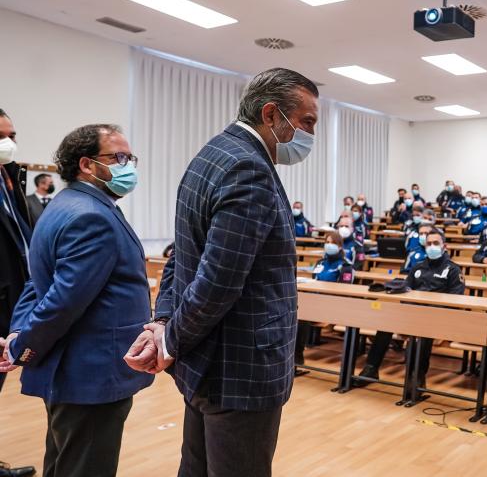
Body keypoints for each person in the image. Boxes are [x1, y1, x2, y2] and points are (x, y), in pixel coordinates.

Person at [128, 68, 318, 476]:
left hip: (206, 364)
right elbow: (218, 281)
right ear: (271, 115)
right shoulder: (249, 169)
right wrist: (168, 341)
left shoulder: (210, 155)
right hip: (240, 369)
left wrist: (164, 324)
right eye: (306, 122)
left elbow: (182, 254)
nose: (309, 134)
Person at [1, 124, 153, 477]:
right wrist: (22, 345)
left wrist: (17, 333)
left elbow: (36, 283)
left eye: (129, 158)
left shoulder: (65, 205)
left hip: (72, 371)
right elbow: (62, 300)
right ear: (86, 164)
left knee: (64, 461)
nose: (127, 165)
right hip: (90, 373)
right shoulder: (91, 216)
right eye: (118, 157)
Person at [355, 229, 465, 386]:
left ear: (444, 246)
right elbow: (406, 290)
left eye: (435, 243)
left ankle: (417, 377)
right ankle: (371, 369)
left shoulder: (453, 270)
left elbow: (456, 299)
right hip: (412, 314)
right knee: (385, 325)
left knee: (423, 331)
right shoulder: (418, 267)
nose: (431, 246)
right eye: (429, 244)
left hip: (437, 317)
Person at [0, 108, 33, 397]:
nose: (8, 143)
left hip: (11, 306)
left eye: (11, 136)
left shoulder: (9, 178)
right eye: (0, 137)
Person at [296, 231, 355, 372]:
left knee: (302, 315)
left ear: (340, 246)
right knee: (297, 312)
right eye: (327, 242)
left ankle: (296, 358)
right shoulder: (320, 262)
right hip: (316, 301)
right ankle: (293, 359)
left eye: (333, 243)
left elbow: (344, 290)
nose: (329, 245)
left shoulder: (345, 265)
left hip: (333, 304)